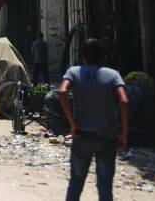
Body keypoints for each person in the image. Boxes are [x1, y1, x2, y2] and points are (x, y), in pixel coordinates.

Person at [59, 38, 129, 201]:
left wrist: (72, 123)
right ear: (103, 56)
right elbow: (124, 101)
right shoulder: (112, 75)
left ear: (82, 55)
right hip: (107, 136)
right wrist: (123, 133)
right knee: (105, 186)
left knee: (76, 182)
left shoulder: (74, 72)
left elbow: (62, 91)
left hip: (82, 135)